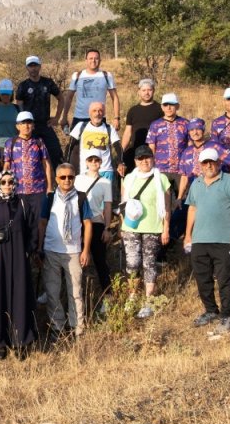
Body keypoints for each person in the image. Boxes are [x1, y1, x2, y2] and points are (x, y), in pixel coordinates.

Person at [185, 148, 230, 336]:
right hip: (200, 239)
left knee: (224, 278)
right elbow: (192, 209)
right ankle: (211, 310)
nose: (209, 165)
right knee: (202, 278)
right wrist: (188, 234)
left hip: (223, 239)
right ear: (200, 165)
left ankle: (227, 315)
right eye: (205, 163)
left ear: (219, 162)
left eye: (212, 162)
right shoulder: (195, 184)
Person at [0, 171, 39, 359]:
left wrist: (28, 251)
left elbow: (33, 231)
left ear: (15, 183)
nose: (7, 185)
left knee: (19, 298)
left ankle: (20, 341)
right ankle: (0, 343)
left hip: (19, 260)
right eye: (3, 181)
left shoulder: (23, 204)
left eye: (10, 182)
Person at [39, 163, 92, 340]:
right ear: (56, 179)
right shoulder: (50, 197)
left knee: (75, 292)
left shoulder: (81, 198)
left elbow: (87, 224)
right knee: (53, 292)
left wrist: (86, 250)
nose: (67, 180)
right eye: (63, 177)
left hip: (73, 252)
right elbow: (42, 223)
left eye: (70, 177)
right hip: (52, 250)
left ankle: (78, 328)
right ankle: (57, 327)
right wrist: (40, 247)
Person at [121, 146, 172, 319]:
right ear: (135, 161)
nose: (144, 161)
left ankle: (149, 300)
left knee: (149, 263)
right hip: (131, 227)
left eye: (147, 158)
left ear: (153, 158)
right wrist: (122, 225)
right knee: (132, 263)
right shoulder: (129, 178)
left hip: (152, 227)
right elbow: (123, 204)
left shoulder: (161, 178)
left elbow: (166, 207)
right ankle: (133, 296)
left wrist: (166, 228)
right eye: (140, 158)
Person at [76, 152, 113, 301]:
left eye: (97, 160)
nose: (94, 162)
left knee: (100, 260)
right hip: (78, 222)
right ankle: (77, 295)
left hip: (96, 221)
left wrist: (107, 227)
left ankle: (108, 296)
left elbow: (108, 206)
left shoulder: (105, 182)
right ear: (86, 162)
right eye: (90, 159)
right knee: (75, 259)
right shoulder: (77, 179)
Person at [3, 111, 53, 218]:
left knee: (38, 222)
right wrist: (5, 185)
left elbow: (46, 165)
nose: (26, 126)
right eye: (23, 123)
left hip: (38, 190)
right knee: (20, 221)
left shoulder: (39, 142)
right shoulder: (10, 143)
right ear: (17, 126)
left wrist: (49, 187)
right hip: (18, 190)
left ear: (33, 125)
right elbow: (6, 165)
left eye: (29, 123)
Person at [57, 49, 120, 133]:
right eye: (90, 58)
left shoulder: (107, 76)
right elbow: (69, 98)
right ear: (86, 60)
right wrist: (64, 116)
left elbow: (115, 98)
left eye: (96, 58)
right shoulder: (77, 76)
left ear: (100, 60)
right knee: (75, 146)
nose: (93, 61)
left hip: (99, 117)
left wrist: (117, 118)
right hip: (79, 118)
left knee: (99, 145)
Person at [15, 56, 64, 165]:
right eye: (30, 66)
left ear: (40, 66)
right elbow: (19, 106)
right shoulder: (23, 86)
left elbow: (61, 98)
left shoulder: (48, 82)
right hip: (30, 127)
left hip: (46, 124)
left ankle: (60, 180)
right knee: (31, 157)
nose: (33, 69)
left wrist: (56, 118)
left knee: (56, 153)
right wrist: (23, 125)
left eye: (35, 65)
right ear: (27, 68)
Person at [175, 119, 222, 220]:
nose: (195, 132)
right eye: (191, 130)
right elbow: (184, 176)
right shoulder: (186, 152)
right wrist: (179, 197)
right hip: (193, 194)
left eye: (198, 129)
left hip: (213, 193)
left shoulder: (215, 146)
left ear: (203, 130)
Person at [67, 101, 124, 180]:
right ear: (89, 113)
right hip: (86, 172)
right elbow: (70, 146)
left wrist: (121, 163)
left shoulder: (109, 128)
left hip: (105, 172)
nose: (97, 113)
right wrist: (66, 164)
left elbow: (118, 147)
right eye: (94, 111)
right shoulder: (80, 126)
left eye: (100, 111)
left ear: (103, 113)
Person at [147, 93, 189, 186]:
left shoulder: (185, 123)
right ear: (162, 107)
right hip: (161, 169)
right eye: (166, 105)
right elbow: (151, 148)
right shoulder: (155, 125)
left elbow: (190, 146)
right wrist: (151, 168)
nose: (169, 108)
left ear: (177, 106)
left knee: (182, 198)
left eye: (172, 105)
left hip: (181, 170)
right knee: (163, 198)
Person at [121, 79, 162, 171]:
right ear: (139, 92)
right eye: (143, 90)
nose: (146, 93)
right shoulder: (133, 110)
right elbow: (128, 132)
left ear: (153, 91)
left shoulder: (161, 109)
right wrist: (122, 151)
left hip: (154, 150)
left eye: (149, 90)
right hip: (135, 149)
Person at [0, 79, 20, 149]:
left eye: (8, 93)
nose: (5, 96)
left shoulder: (18, 109)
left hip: (15, 145)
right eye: (3, 93)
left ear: (12, 93)